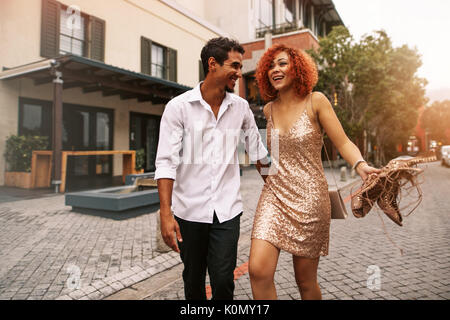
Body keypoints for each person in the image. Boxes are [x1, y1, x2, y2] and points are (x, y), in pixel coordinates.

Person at [249, 44, 381, 300]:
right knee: (257, 271)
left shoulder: (316, 100)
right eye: (271, 66)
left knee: (305, 281)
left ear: (296, 68)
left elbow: (342, 142)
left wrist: (361, 166)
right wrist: (259, 166)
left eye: (282, 63)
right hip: (274, 196)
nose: (275, 69)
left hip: (310, 199)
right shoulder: (268, 110)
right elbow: (271, 156)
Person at [155, 37, 269, 300]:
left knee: (222, 280)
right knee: (193, 279)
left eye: (241, 68)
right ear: (212, 64)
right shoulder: (178, 107)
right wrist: (165, 214)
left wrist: (280, 191)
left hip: (228, 212)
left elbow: (259, 154)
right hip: (188, 212)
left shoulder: (241, 108)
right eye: (235, 66)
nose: (240, 74)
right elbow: (165, 162)